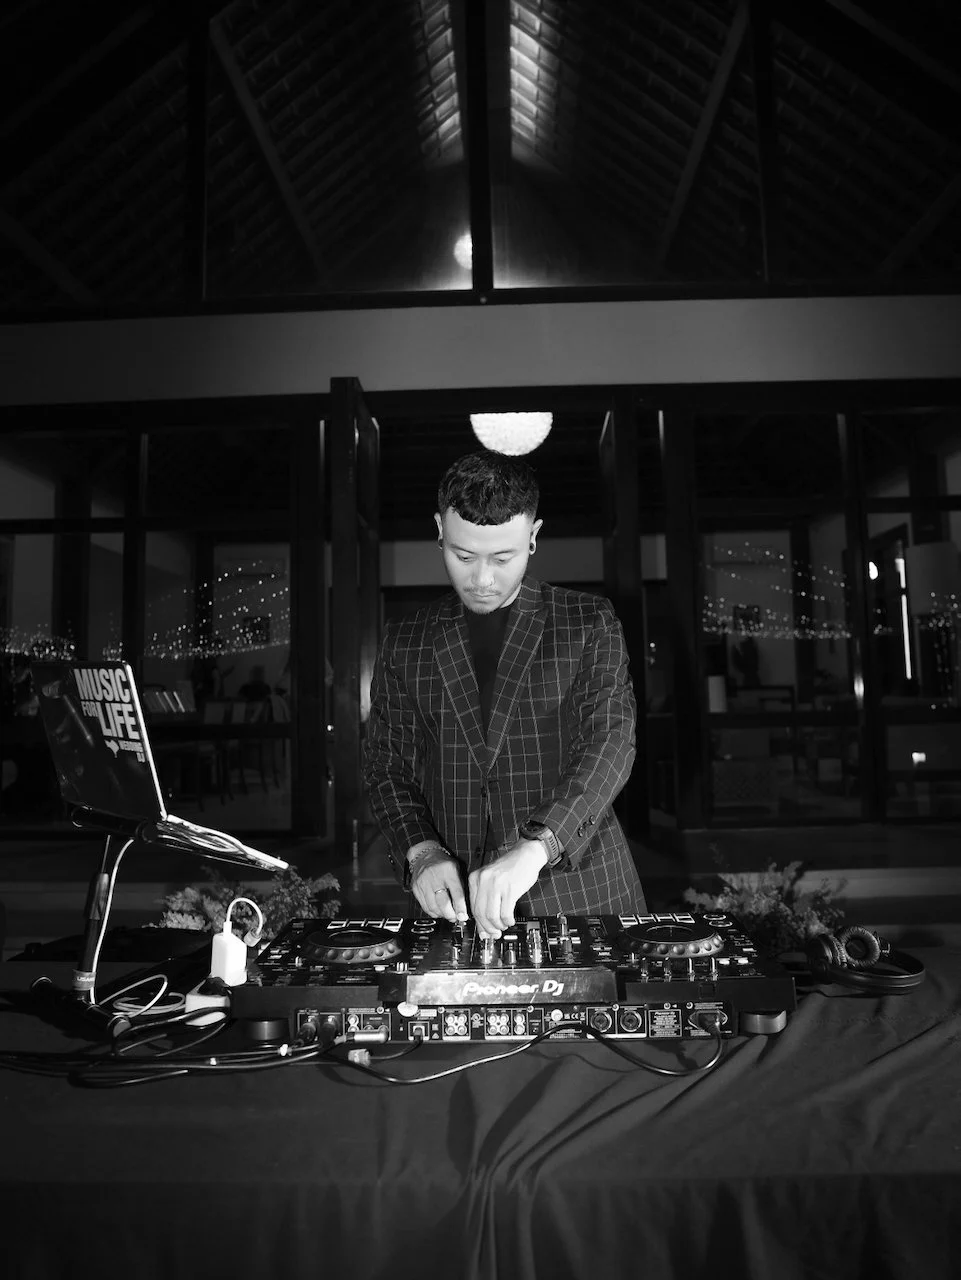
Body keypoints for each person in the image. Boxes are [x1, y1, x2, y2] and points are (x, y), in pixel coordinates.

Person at [363, 449, 647, 939]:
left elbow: (610, 743)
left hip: (581, 892)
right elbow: (386, 765)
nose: (482, 579)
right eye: (463, 556)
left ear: (533, 537)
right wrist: (421, 851)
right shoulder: (406, 640)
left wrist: (537, 848)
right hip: (449, 903)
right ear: (440, 530)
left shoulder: (587, 623)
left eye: (502, 557)